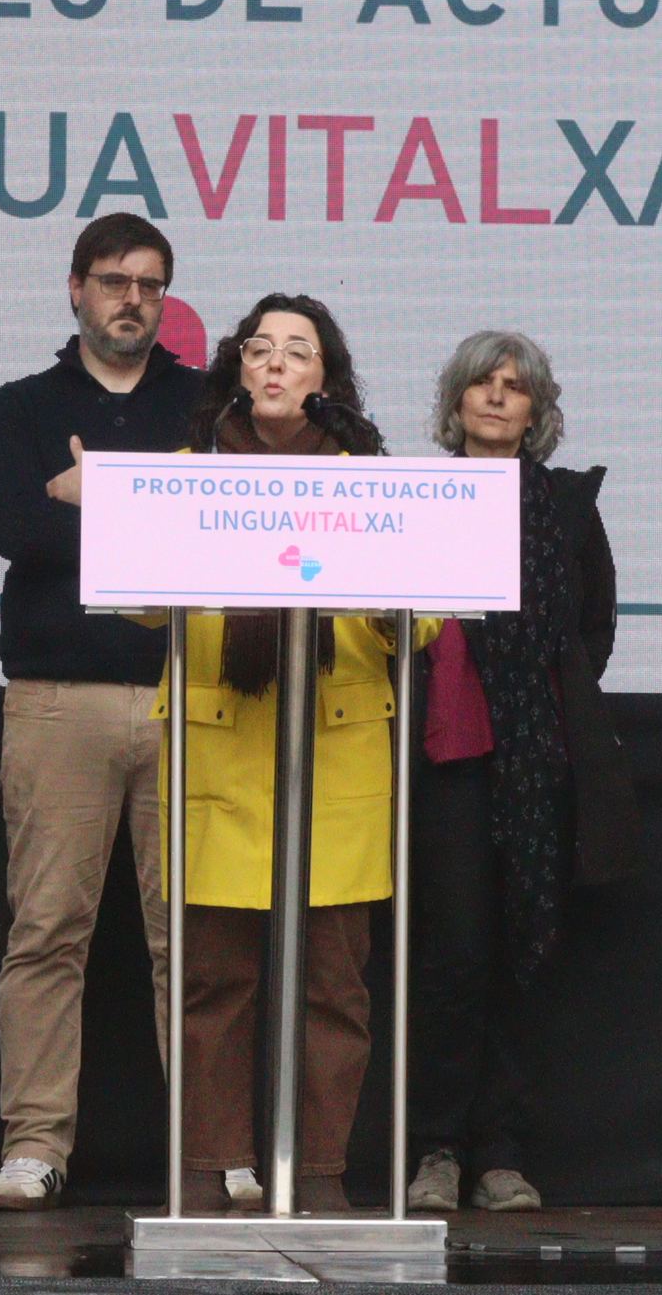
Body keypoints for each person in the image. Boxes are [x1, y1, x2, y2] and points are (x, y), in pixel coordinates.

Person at [156, 294, 437, 1214]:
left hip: (335, 757)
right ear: (237, 369)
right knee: (214, 981)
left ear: (325, 377)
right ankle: (208, 1169)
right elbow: (138, 602)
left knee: (333, 988)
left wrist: (375, 590)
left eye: (297, 350)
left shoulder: (370, 479)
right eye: (259, 348)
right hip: (221, 754)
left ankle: (318, 1175)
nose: (275, 362)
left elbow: (427, 620)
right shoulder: (188, 474)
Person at [0, 215, 203, 1211]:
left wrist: (92, 488)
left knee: (192, 939)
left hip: (190, 701)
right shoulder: (18, 407)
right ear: (75, 288)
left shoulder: (207, 405)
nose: (131, 300)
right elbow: (14, 528)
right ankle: (33, 1145)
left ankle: (212, 1151)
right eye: (113, 280)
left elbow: (218, 534)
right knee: (47, 931)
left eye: (150, 284)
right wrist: (152, 505)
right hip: (57, 701)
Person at [402, 331, 639, 1215]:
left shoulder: (567, 507)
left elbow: (594, 627)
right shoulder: (418, 499)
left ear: (537, 409)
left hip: (538, 760)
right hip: (451, 755)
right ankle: (435, 1149)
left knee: (524, 951)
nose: (498, 396)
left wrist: (541, 702)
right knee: (456, 954)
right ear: (456, 401)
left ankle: (501, 1154)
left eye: (516, 386)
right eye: (483, 383)